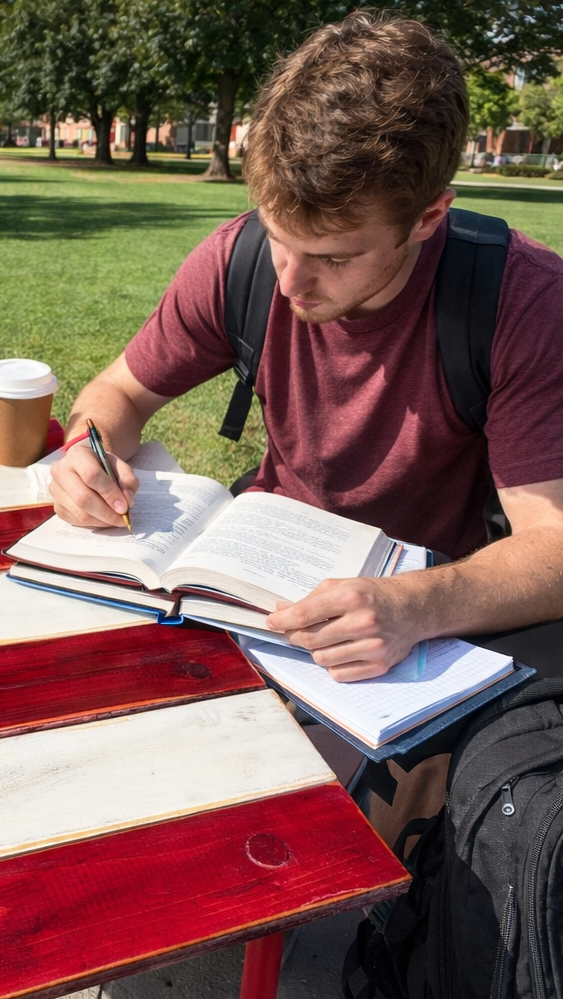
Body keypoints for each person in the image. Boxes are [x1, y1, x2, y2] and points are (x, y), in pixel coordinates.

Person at [50, 11, 563, 690]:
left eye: (334, 256)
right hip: (252, 580)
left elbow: (553, 544)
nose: (291, 282)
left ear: (429, 217)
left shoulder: (519, 299)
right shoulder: (239, 260)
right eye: (278, 236)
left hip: (411, 619)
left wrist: (418, 605)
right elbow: (118, 393)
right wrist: (87, 449)